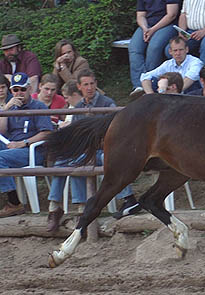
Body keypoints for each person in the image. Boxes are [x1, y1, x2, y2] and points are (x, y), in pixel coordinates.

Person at [46, 69, 140, 231]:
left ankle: (126, 199)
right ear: (79, 87)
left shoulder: (107, 103)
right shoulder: (78, 107)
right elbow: (77, 135)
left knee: (107, 160)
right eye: (85, 84)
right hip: (87, 151)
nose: (89, 87)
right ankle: (55, 207)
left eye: (92, 84)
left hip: (104, 149)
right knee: (63, 161)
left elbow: (117, 133)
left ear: (96, 84)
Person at [0, 72, 53, 218]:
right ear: (11, 91)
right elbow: (1, 131)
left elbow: (47, 133)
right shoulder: (11, 107)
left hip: (32, 150)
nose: (19, 93)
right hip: (13, 148)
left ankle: (14, 203)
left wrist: (23, 143)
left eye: (22, 89)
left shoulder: (38, 106)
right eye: (15, 90)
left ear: (29, 89)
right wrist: (5, 110)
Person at [128, 0, 181, 98]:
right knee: (134, 48)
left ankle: (151, 83)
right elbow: (140, 16)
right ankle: (139, 86)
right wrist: (145, 28)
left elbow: (172, 14)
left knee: (154, 47)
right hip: (147, 26)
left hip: (167, 25)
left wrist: (153, 30)